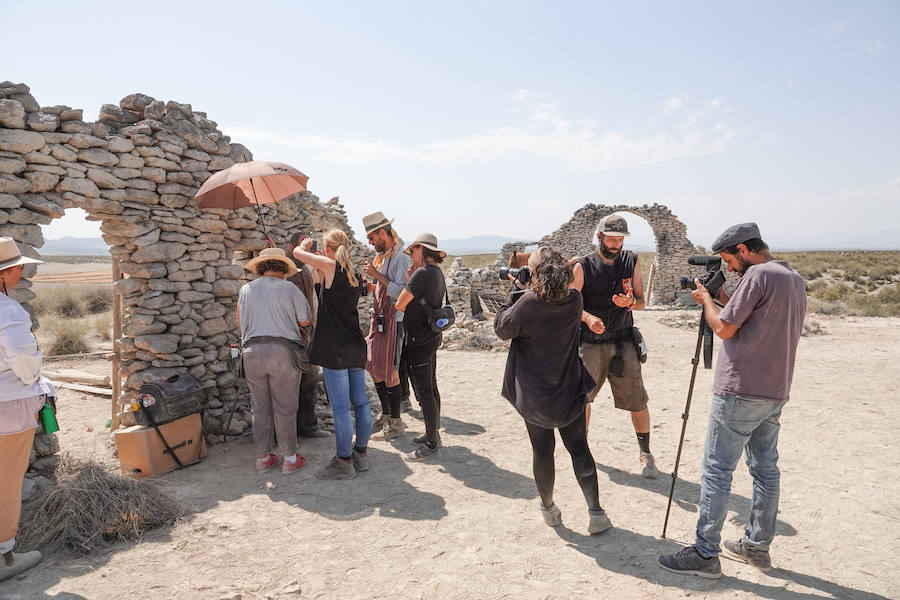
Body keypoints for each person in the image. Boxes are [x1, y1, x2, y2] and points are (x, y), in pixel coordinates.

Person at [658, 223, 806, 579]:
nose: (730, 267)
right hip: (774, 390)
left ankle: (705, 554)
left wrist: (706, 300)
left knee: (716, 471)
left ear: (742, 249)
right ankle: (756, 546)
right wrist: (723, 297)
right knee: (765, 471)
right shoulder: (792, 278)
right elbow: (747, 321)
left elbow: (724, 329)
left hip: (739, 390)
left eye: (729, 259)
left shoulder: (757, 276)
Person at [494, 247, 612, 534]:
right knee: (580, 448)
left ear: (535, 273)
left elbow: (502, 328)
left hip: (535, 394)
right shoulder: (575, 300)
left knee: (542, 451)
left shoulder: (529, 303)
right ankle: (596, 513)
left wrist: (516, 291)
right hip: (569, 388)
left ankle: (548, 509)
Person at [571, 214, 660, 479]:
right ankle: (581, 451)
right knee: (583, 399)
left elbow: (642, 301)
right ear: (599, 237)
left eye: (620, 239)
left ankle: (646, 453)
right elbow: (571, 305)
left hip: (623, 341)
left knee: (638, 400)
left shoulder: (631, 260)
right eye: (611, 238)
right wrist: (588, 317)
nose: (616, 244)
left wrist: (629, 303)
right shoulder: (582, 265)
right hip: (590, 342)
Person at [293, 230, 372, 480]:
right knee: (360, 403)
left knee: (340, 409)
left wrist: (304, 246)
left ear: (328, 248)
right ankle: (361, 455)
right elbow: (320, 285)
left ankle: (343, 461)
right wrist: (317, 258)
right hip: (354, 344)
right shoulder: (353, 273)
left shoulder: (330, 265)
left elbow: (296, 254)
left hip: (334, 348)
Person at [237, 248, 311, 475]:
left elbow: (240, 325)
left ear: (261, 267)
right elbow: (305, 321)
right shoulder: (290, 288)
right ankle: (289, 458)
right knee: (286, 408)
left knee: (259, 407)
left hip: (250, 352)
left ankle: (262, 458)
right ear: (283, 268)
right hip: (282, 352)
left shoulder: (245, 290)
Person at [0, 237, 45, 582]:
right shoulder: (8, 311)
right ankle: (4, 557)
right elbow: (22, 357)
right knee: (6, 481)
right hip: (8, 404)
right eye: (18, 267)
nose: (21, 272)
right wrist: (35, 379)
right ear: (6, 273)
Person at [394, 233, 447, 461]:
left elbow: (400, 303)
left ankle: (431, 444)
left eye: (413, 250)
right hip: (431, 337)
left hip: (419, 339)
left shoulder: (422, 274)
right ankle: (432, 433)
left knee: (424, 391)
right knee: (431, 387)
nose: (411, 254)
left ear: (422, 250)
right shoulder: (436, 273)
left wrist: (409, 281)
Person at [362, 211, 412, 439]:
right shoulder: (387, 257)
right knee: (375, 366)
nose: (371, 243)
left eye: (372, 238)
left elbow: (403, 291)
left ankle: (396, 423)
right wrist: (375, 287)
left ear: (383, 233)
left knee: (390, 370)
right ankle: (387, 414)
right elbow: (387, 288)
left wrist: (376, 276)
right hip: (382, 321)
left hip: (395, 323)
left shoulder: (401, 257)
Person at [286, 232, 329, 439]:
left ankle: (307, 425)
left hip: (309, 333)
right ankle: (294, 429)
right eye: (304, 245)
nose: (308, 249)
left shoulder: (306, 268)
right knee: (293, 383)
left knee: (309, 381)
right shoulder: (287, 271)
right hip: (294, 335)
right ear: (292, 247)